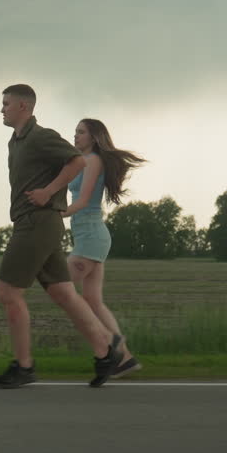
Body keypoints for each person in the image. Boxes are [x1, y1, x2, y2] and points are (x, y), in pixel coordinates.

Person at [0, 84, 124, 389]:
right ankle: (106, 351)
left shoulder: (41, 136)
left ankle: (24, 366)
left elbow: (77, 161)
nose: (2, 109)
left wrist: (49, 191)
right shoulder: (16, 141)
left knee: (8, 292)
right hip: (37, 223)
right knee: (63, 294)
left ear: (23, 106)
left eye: (6, 103)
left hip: (37, 223)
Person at [62, 118, 146, 377]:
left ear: (94, 137)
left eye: (81, 132)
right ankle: (125, 358)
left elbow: (84, 200)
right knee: (93, 301)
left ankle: (110, 342)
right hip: (89, 236)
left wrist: (55, 213)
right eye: (75, 131)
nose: (75, 135)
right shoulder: (81, 161)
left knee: (59, 285)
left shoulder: (93, 161)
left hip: (91, 235)